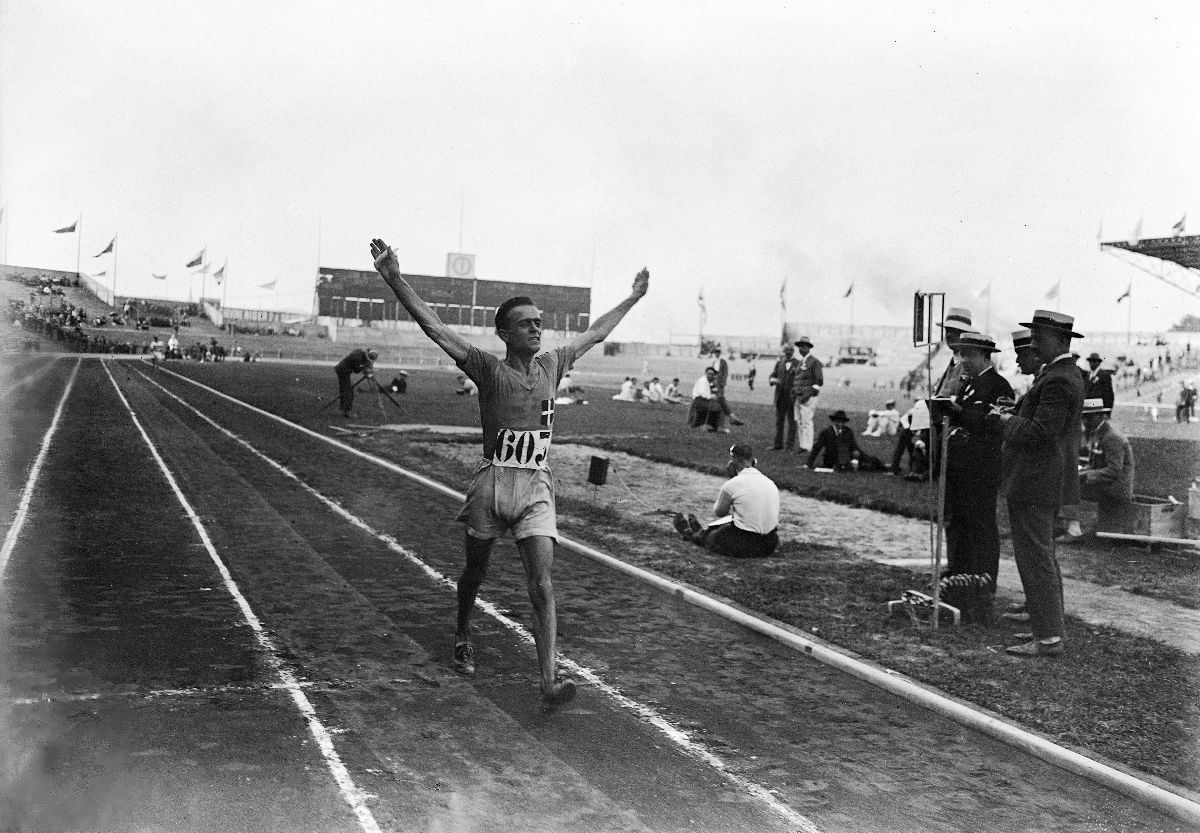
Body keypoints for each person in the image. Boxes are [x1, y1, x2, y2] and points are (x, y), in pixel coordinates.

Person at [371, 236, 648, 708]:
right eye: (525, 324)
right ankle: (462, 630)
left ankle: (547, 682)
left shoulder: (554, 363)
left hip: (536, 484)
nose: (536, 329)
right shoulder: (485, 367)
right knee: (474, 575)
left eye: (539, 322)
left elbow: (597, 332)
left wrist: (634, 296)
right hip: (492, 482)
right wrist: (395, 279)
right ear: (504, 334)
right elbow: (435, 328)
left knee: (542, 583)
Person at [990, 309, 1085, 657]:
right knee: (1041, 556)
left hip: (1035, 480)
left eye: (1039, 337)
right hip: (1039, 479)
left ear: (1061, 340)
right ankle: (1046, 631)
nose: (1033, 343)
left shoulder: (1059, 379)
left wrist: (1004, 420)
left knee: (1036, 558)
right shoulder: (1059, 374)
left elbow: (1040, 433)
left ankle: (1047, 637)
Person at [939, 332, 1013, 623]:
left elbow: (993, 424)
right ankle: (959, 580)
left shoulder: (998, 386)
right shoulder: (970, 385)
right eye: (961, 355)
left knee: (980, 528)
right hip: (961, 467)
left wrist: (959, 412)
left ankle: (983, 588)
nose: (963, 361)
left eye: (967, 354)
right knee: (960, 524)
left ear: (984, 355)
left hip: (981, 470)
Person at [673, 443, 779, 558]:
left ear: (736, 460)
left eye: (731, 458)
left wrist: (733, 480)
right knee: (734, 524)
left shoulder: (732, 484)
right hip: (770, 544)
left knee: (715, 537)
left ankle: (691, 534)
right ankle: (702, 532)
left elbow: (719, 512)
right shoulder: (770, 482)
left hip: (746, 544)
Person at [1079, 397, 1135, 534]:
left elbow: (1114, 471)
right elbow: (1094, 464)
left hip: (1115, 489)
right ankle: (1071, 525)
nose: (1085, 421)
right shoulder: (1098, 433)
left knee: (1070, 488)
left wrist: (1085, 476)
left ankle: (1073, 529)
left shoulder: (1112, 437)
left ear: (1100, 416)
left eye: (1089, 417)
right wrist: (1081, 472)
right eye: (1083, 417)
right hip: (1106, 485)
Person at [792, 336, 824, 454]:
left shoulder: (813, 362)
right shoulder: (801, 361)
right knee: (799, 421)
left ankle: (808, 446)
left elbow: (819, 380)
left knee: (807, 421)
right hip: (798, 395)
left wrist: (810, 393)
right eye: (800, 346)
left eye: (804, 346)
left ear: (808, 348)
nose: (801, 348)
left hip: (808, 396)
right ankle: (802, 444)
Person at [769, 344, 798, 450]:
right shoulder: (779, 363)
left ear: (793, 352)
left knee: (792, 423)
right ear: (783, 351)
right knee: (779, 422)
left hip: (792, 397)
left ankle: (789, 446)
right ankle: (778, 445)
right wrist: (773, 380)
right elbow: (773, 375)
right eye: (786, 350)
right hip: (780, 396)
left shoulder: (798, 364)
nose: (788, 352)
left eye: (790, 350)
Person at [334, 347, 378, 418]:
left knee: (345, 390)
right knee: (349, 392)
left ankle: (343, 409)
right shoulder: (357, 357)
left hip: (343, 369)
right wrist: (365, 366)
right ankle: (348, 412)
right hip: (343, 371)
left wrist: (368, 366)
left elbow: (368, 362)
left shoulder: (364, 352)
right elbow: (356, 370)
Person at [708, 347, 744, 428]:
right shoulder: (713, 362)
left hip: (719, 384)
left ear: (719, 353)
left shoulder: (723, 362)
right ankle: (730, 418)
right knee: (719, 401)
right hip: (714, 383)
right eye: (715, 352)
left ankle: (726, 419)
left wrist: (722, 383)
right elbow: (711, 374)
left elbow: (725, 373)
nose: (716, 354)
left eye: (717, 352)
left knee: (720, 400)